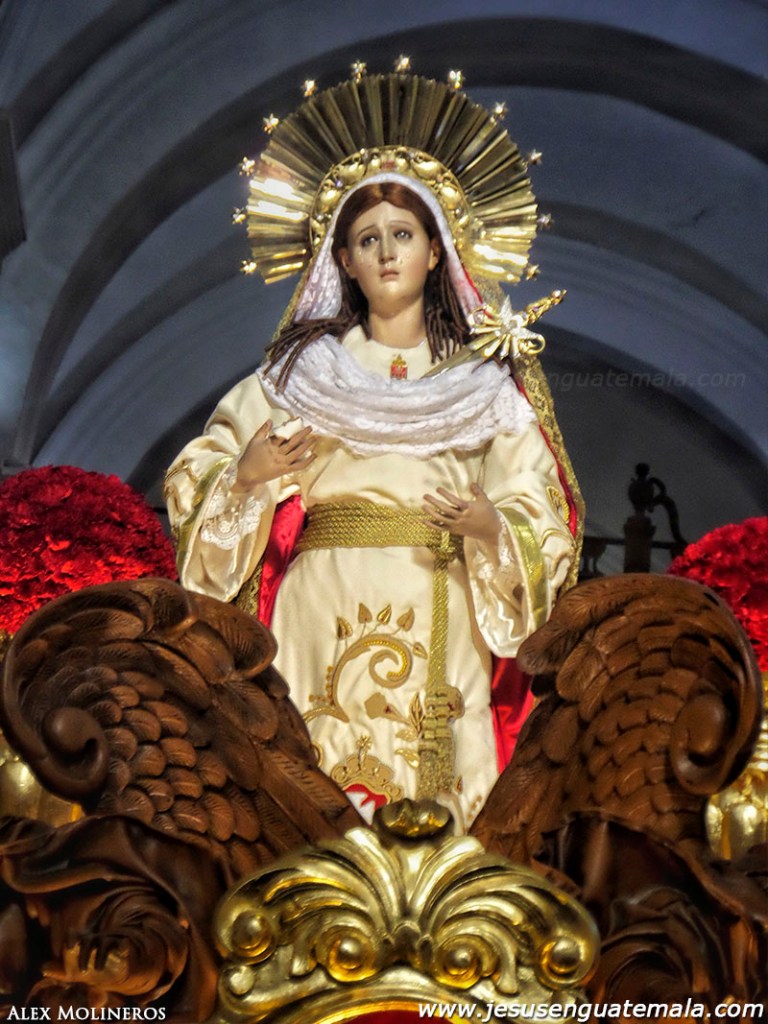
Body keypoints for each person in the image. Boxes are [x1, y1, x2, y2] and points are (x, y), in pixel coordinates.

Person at [165, 70, 582, 829]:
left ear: (436, 251)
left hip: (441, 591)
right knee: (314, 791)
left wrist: (492, 526)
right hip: (319, 605)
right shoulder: (297, 377)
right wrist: (248, 476)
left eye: (403, 234)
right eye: (367, 239)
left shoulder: (485, 386)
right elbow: (204, 470)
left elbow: (537, 503)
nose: (387, 252)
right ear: (345, 262)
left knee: (437, 806)